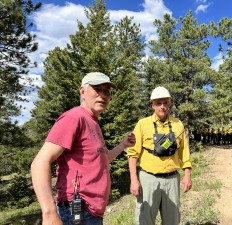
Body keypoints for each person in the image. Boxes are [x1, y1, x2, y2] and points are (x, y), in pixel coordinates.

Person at [31, 72, 136, 225]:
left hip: (91, 212)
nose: (102, 95)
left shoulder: (93, 122)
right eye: (97, 89)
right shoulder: (74, 118)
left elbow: (102, 159)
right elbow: (40, 163)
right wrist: (49, 213)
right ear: (82, 92)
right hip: (77, 211)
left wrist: (122, 145)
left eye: (106, 91)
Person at [127, 86, 192, 225]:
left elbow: (184, 152)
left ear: (169, 104)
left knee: (172, 220)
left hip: (172, 180)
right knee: (145, 219)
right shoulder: (142, 124)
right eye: (158, 103)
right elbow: (132, 154)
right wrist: (134, 179)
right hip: (148, 180)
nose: (162, 106)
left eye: (165, 103)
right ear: (152, 105)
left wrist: (187, 175)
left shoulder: (177, 124)